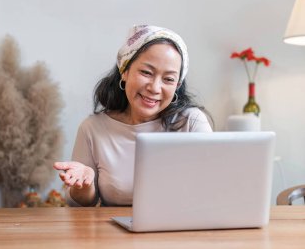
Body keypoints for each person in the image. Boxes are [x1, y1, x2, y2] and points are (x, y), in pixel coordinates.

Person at [54, 25, 213, 207]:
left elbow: (211, 191)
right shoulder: (92, 128)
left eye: (168, 79)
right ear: (124, 70)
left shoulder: (191, 123)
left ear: (177, 85)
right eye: (146, 72)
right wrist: (83, 186)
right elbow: (79, 205)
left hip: (179, 232)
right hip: (114, 234)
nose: (154, 88)